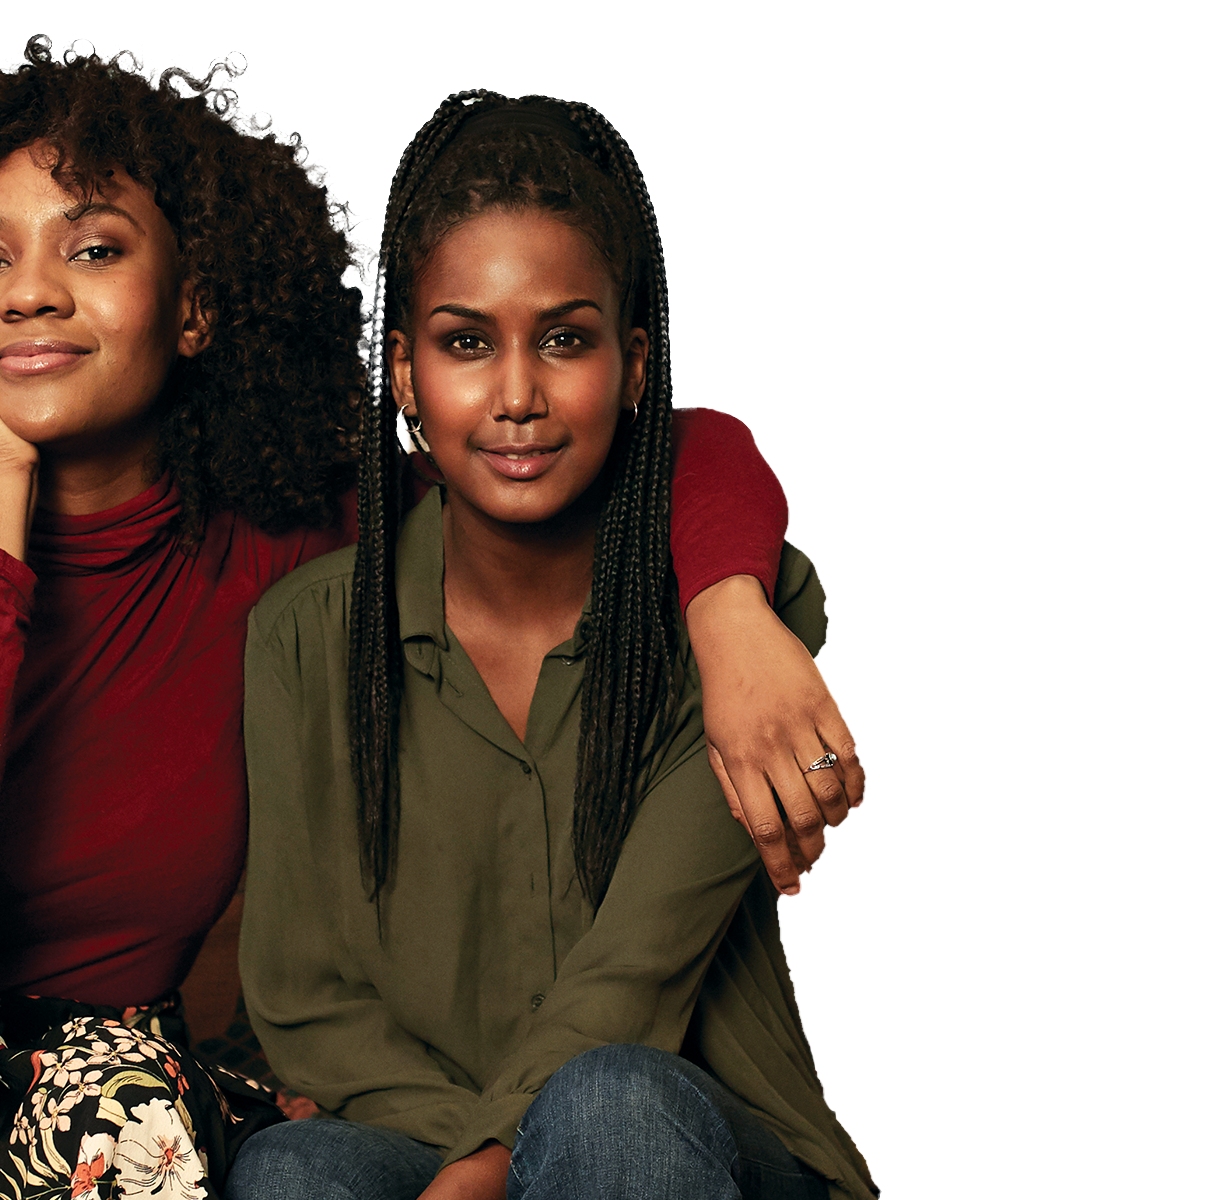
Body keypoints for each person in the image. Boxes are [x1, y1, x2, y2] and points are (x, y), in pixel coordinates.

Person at [0, 37, 855, 1200]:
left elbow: (648, 447)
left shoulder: (282, 551)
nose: (29, 291)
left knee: (204, 1135)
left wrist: (727, 609)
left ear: (196, 310)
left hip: (114, 1114)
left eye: (95, 247)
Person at [230, 91, 876, 1200]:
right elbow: (304, 1002)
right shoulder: (302, 640)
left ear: (633, 366)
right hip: (432, 1145)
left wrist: (491, 1169)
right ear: (403, 373)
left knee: (609, 1105)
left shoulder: (743, 619)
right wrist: (491, 1160)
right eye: (466, 342)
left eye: (565, 339)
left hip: (696, 1147)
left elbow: (634, 973)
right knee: (295, 1169)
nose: (518, 394)